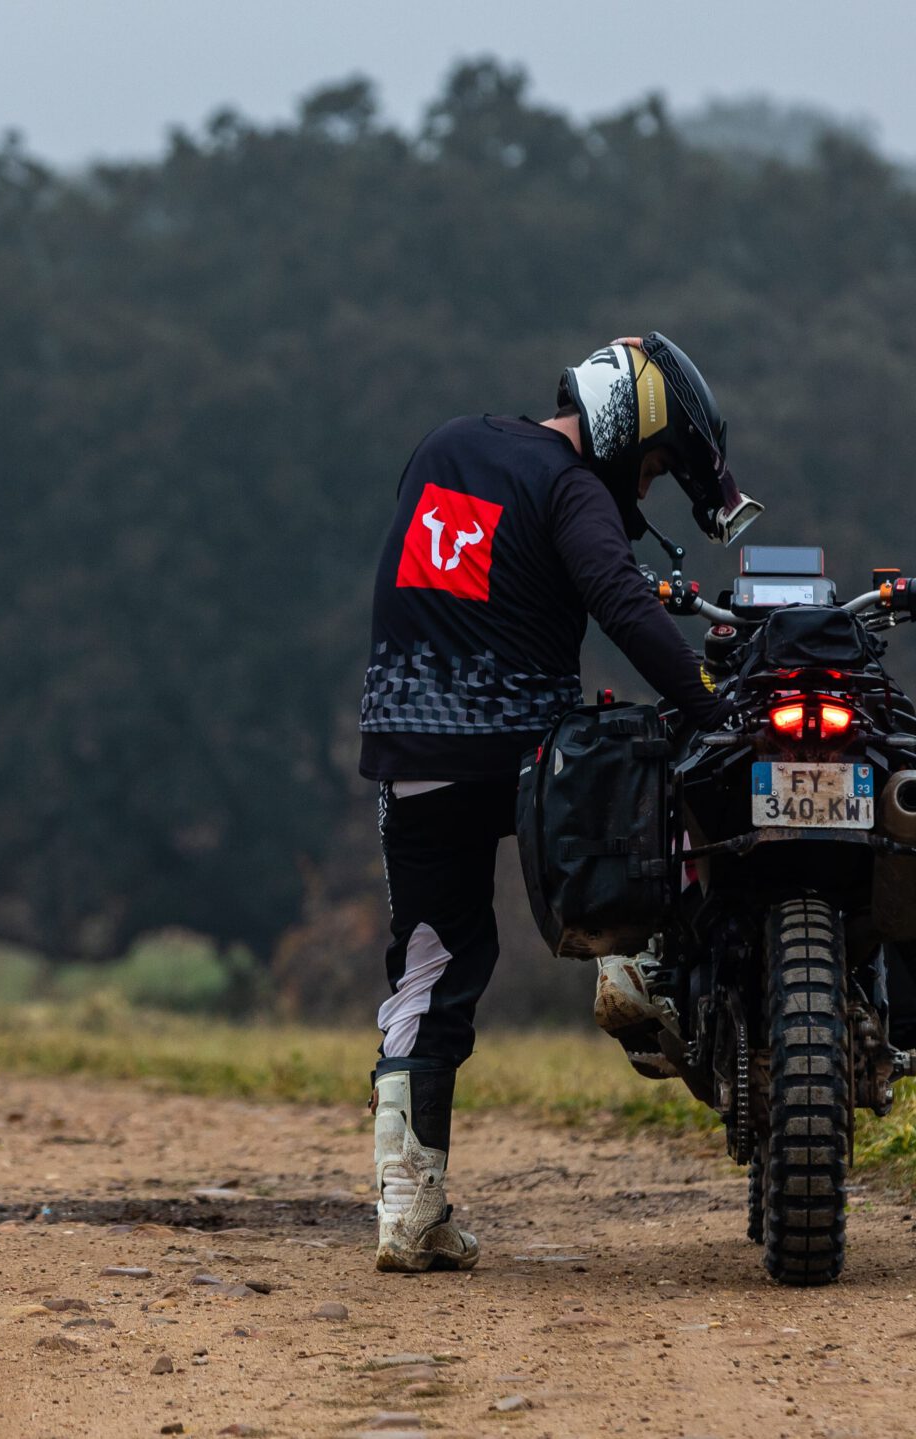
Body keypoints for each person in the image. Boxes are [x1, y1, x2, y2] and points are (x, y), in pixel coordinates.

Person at [356, 333, 759, 1272]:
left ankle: (408, 1214)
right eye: (655, 466)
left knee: (429, 965)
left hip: (409, 751)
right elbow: (619, 605)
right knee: (662, 785)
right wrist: (708, 710)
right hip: (525, 754)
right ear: (628, 428)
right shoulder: (575, 486)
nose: (647, 488)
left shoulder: (446, 443)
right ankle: (641, 968)